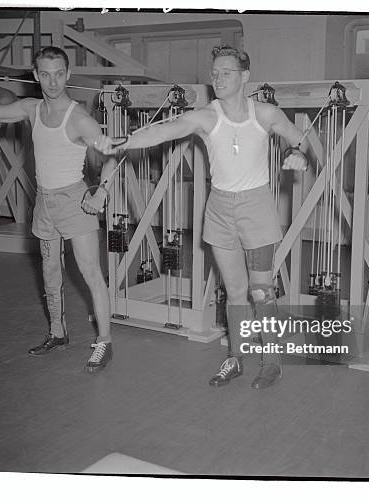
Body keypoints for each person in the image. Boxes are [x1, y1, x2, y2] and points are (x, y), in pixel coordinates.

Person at [95, 45, 308, 389]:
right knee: (235, 291)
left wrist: (299, 154)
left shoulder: (265, 114)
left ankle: (272, 363)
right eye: (215, 73)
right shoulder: (206, 116)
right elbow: (162, 131)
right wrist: (122, 142)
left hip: (256, 207)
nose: (218, 78)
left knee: (261, 292)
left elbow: (302, 139)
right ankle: (235, 358)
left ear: (244, 77)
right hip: (220, 208)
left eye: (226, 72)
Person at [0, 47, 116, 372]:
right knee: (50, 271)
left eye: (59, 73)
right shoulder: (31, 108)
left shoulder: (80, 119)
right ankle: (58, 333)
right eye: (46, 74)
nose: (53, 81)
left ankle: (105, 342)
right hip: (44, 201)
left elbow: (111, 155)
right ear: (35, 75)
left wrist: (102, 190)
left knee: (91, 274)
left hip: (75, 202)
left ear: (68, 74)